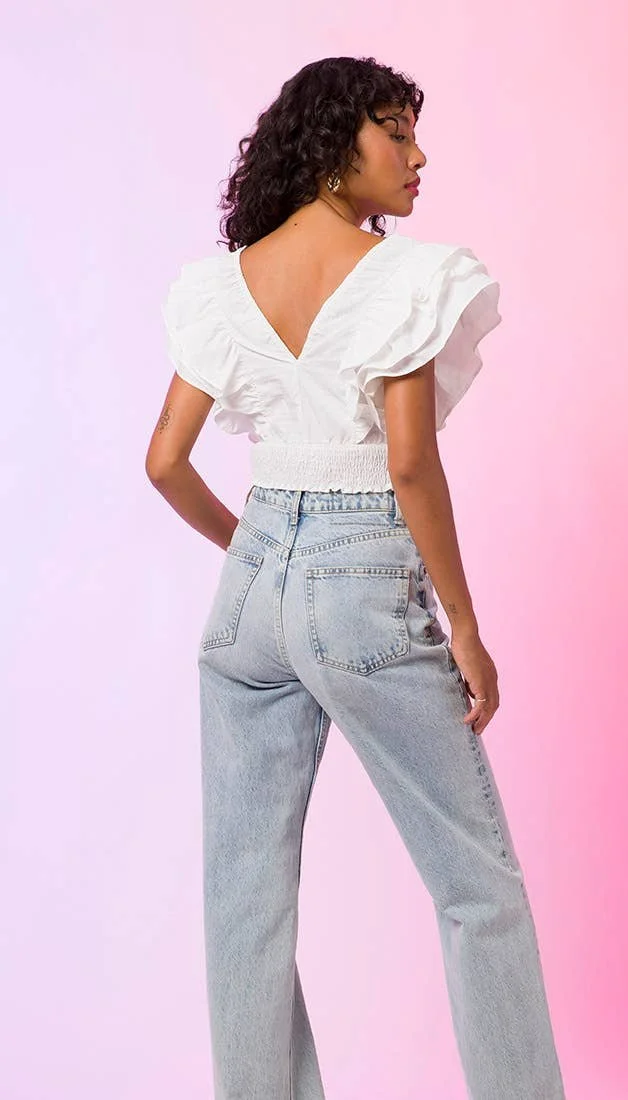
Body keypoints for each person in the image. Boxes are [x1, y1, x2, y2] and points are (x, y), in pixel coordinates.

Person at [146, 55, 566, 1100]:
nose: (418, 157)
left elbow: (163, 460)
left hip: (250, 598)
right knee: (477, 889)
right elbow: (409, 463)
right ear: (337, 147)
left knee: (245, 896)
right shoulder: (402, 278)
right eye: (396, 132)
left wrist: (256, 550)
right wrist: (464, 625)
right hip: (362, 582)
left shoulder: (224, 283)